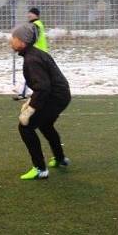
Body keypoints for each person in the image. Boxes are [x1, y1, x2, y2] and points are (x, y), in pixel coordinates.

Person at [10, 23, 71, 180]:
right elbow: (44, 85)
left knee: (25, 126)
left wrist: (30, 109)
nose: (11, 41)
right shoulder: (35, 54)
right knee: (45, 124)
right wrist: (32, 101)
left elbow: (43, 88)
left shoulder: (31, 59)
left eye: (14, 38)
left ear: (23, 41)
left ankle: (40, 169)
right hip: (60, 95)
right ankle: (60, 159)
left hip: (54, 97)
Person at [14, 7, 50, 100]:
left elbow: (33, 38)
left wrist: (25, 47)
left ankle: (24, 93)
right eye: (28, 13)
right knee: (37, 74)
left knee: (30, 73)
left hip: (37, 54)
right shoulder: (37, 24)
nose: (29, 15)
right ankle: (29, 93)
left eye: (31, 13)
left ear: (36, 15)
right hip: (40, 53)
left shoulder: (36, 25)